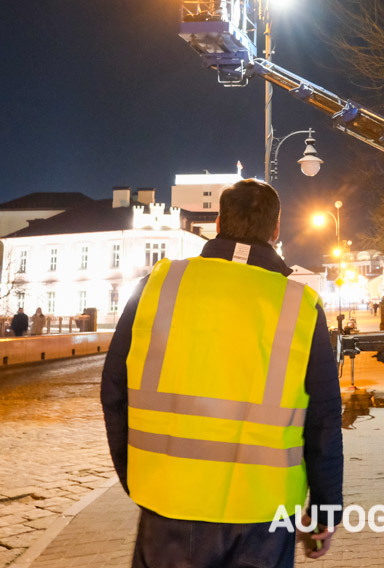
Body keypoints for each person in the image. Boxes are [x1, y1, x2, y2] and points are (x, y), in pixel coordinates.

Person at [101, 178, 342, 567]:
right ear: (276, 229)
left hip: (168, 507)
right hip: (263, 514)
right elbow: (325, 419)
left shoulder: (158, 285)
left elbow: (114, 391)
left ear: (217, 223)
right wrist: (327, 511)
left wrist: (136, 478)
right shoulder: (300, 306)